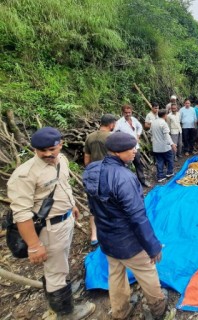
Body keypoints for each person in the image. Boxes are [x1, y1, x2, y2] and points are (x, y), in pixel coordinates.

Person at [8, 127, 95, 319]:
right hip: (50, 228)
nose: (48, 154)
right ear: (35, 150)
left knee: (58, 264)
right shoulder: (25, 174)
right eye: (42, 151)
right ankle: (67, 313)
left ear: (60, 145)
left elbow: (62, 186)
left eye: (51, 149)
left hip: (65, 220)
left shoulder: (62, 160)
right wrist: (34, 245)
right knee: (56, 270)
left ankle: (57, 301)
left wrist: (71, 205)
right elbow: (21, 214)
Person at [83, 132, 167, 319]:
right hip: (127, 240)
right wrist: (152, 247)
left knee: (116, 272)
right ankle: (158, 307)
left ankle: (120, 311)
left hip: (106, 236)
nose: (135, 152)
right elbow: (137, 217)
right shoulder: (124, 177)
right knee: (147, 271)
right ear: (119, 152)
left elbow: (92, 205)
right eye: (132, 149)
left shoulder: (92, 169)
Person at [84, 114, 117, 245]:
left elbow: (87, 159)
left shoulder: (89, 137)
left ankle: (94, 235)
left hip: (93, 173)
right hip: (108, 173)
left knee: (94, 205)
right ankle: (112, 230)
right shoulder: (112, 138)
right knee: (112, 202)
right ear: (111, 124)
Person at [114, 104, 150, 187]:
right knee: (127, 167)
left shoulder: (133, 119)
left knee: (138, 164)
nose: (128, 114)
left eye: (129, 112)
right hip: (126, 149)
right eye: (126, 112)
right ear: (122, 112)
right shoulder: (119, 123)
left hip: (135, 147)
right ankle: (129, 184)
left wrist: (137, 135)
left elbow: (140, 127)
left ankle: (142, 181)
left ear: (131, 112)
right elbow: (113, 133)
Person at [151, 110, 176, 183]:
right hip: (164, 146)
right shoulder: (163, 123)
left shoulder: (153, 122)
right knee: (170, 159)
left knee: (159, 161)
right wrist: (172, 144)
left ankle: (160, 176)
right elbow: (167, 135)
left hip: (156, 147)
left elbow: (150, 132)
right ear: (165, 115)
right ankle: (170, 172)